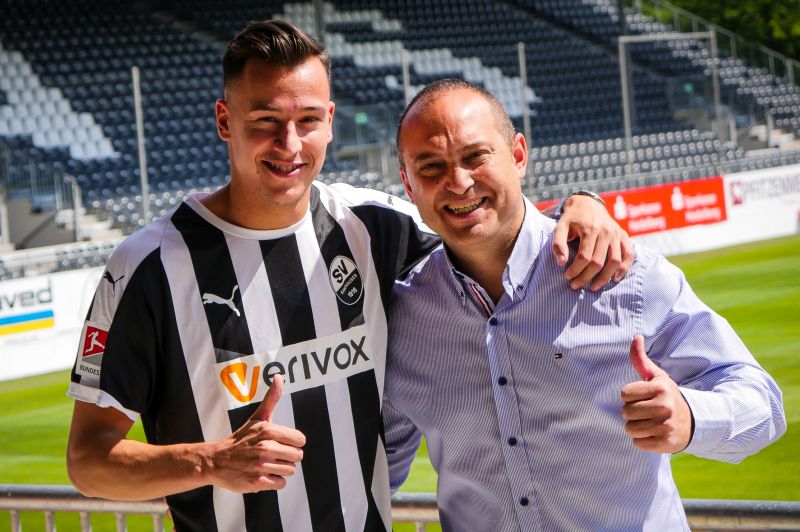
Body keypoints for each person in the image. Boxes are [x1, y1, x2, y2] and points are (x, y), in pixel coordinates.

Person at [65, 21, 632, 531]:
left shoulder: (374, 227)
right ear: (224, 120)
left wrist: (581, 204)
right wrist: (213, 461)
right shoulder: (149, 266)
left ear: (330, 122)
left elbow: (491, 228)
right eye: (265, 121)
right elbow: (88, 462)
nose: (290, 145)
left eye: (308, 121)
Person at [384, 79, 786, 531]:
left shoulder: (621, 274)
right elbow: (372, 475)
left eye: (476, 157)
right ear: (407, 181)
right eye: (431, 166)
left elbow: (762, 403)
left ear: (518, 155)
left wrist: (691, 417)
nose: (458, 183)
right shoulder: (402, 317)